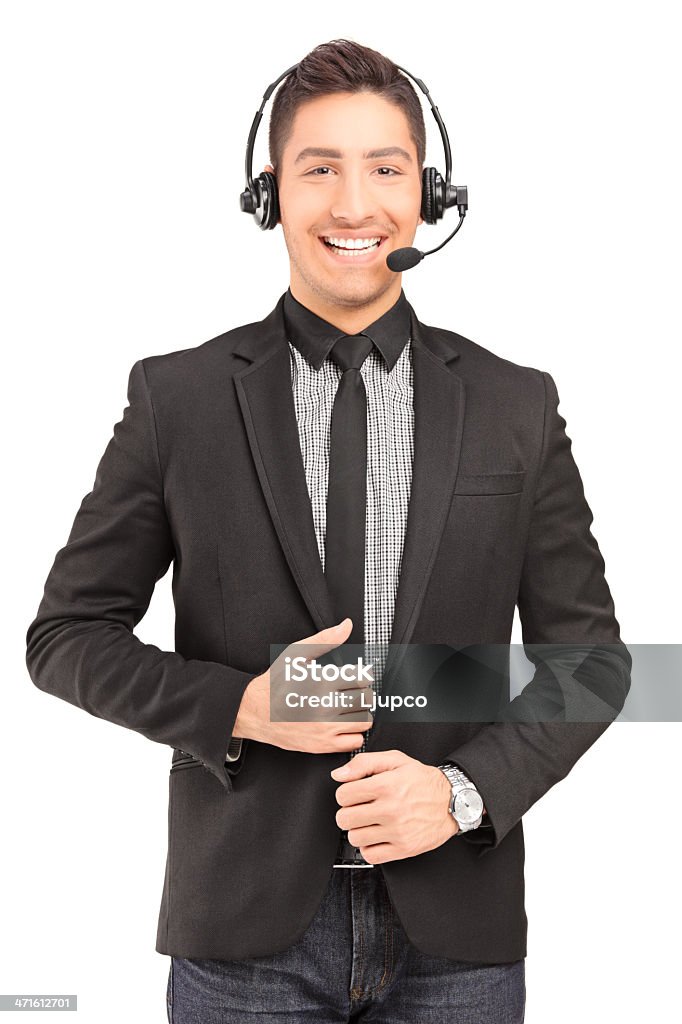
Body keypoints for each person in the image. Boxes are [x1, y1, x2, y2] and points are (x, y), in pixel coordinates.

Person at [26, 38, 631, 1024]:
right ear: (269, 193)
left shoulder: (515, 406)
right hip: (243, 939)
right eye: (320, 169)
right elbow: (62, 640)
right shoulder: (176, 399)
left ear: (428, 195)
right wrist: (241, 709)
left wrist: (464, 791)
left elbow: (594, 662)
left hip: (458, 942)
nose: (355, 204)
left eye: (386, 169)